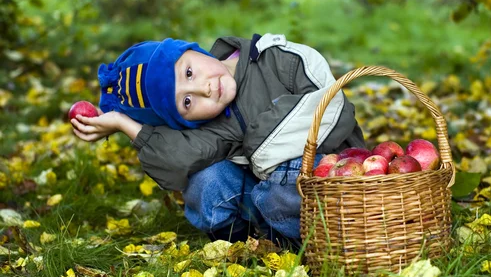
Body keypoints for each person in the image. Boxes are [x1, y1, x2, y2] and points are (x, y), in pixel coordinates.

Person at [71, 33, 365, 247]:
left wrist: (258, 150)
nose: (204, 89)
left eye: (189, 72)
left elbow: (329, 103)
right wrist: (123, 122)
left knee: (284, 185)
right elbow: (176, 163)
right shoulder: (213, 123)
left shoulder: (272, 57)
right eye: (187, 102)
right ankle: (246, 244)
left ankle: (312, 242)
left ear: (192, 49)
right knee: (205, 182)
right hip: (270, 201)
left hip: (336, 181)